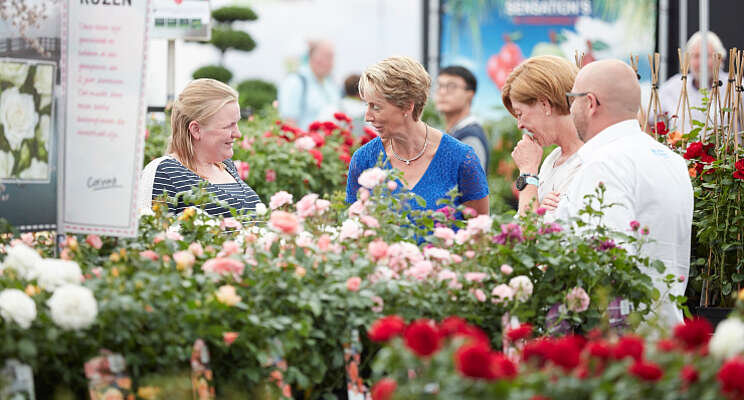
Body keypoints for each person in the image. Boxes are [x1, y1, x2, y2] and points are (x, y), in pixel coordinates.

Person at [556, 59, 694, 329]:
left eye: (572, 99)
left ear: (591, 103)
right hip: (663, 333)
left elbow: (606, 262)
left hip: (621, 342)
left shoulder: (605, 163)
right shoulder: (671, 160)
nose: (571, 108)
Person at [346, 56, 489, 216]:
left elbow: (478, 233)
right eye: (367, 105)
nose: (367, 117)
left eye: (376, 107)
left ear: (407, 106)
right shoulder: (364, 159)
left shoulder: (461, 158)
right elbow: (355, 230)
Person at [139, 79, 262, 217]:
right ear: (196, 129)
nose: (238, 134)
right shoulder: (165, 172)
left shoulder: (227, 166)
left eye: (237, 124)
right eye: (228, 126)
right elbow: (153, 232)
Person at [501, 55, 583, 221]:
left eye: (520, 114)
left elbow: (528, 234)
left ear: (545, 104)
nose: (520, 125)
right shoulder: (552, 159)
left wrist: (528, 171)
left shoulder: (588, 160)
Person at [658, 31, 727, 133]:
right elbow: (645, 117)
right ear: (688, 60)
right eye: (696, 56)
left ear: (720, 59)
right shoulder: (672, 87)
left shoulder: (736, 88)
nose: (701, 62)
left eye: (707, 56)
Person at [434, 66, 490, 173]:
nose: (442, 92)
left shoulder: (470, 138)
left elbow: (472, 187)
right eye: (439, 86)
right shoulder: (454, 133)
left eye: (451, 86)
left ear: (470, 94)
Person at [278, 40, 341, 130]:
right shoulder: (295, 81)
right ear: (312, 57)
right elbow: (289, 122)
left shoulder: (331, 85)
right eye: (327, 56)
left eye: (332, 57)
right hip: (305, 141)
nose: (331, 63)